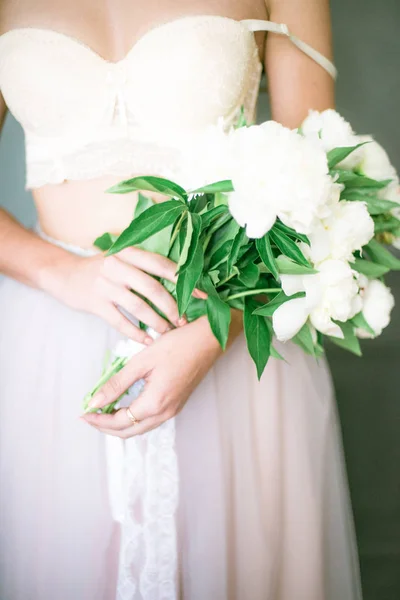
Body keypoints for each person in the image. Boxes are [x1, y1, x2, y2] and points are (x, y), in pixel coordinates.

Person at [0, 1, 363, 598]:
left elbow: (327, 182)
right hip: (51, 346)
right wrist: (66, 274)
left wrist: (214, 332)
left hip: (233, 331)